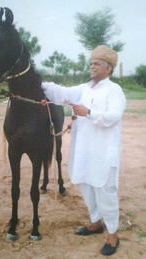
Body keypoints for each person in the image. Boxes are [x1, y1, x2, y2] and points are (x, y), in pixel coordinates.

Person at [42, 45, 126, 256]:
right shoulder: (84, 88)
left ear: (108, 68)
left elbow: (112, 117)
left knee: (105, 192)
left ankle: (113, 235)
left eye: (96, 64)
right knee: (88, 189)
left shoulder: (114, 90)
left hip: (103, 153)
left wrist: (87, 112)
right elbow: (62, 92)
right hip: (84, 152)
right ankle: (96, 223)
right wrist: (39, 83)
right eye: (91, 63)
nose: (92, 66)